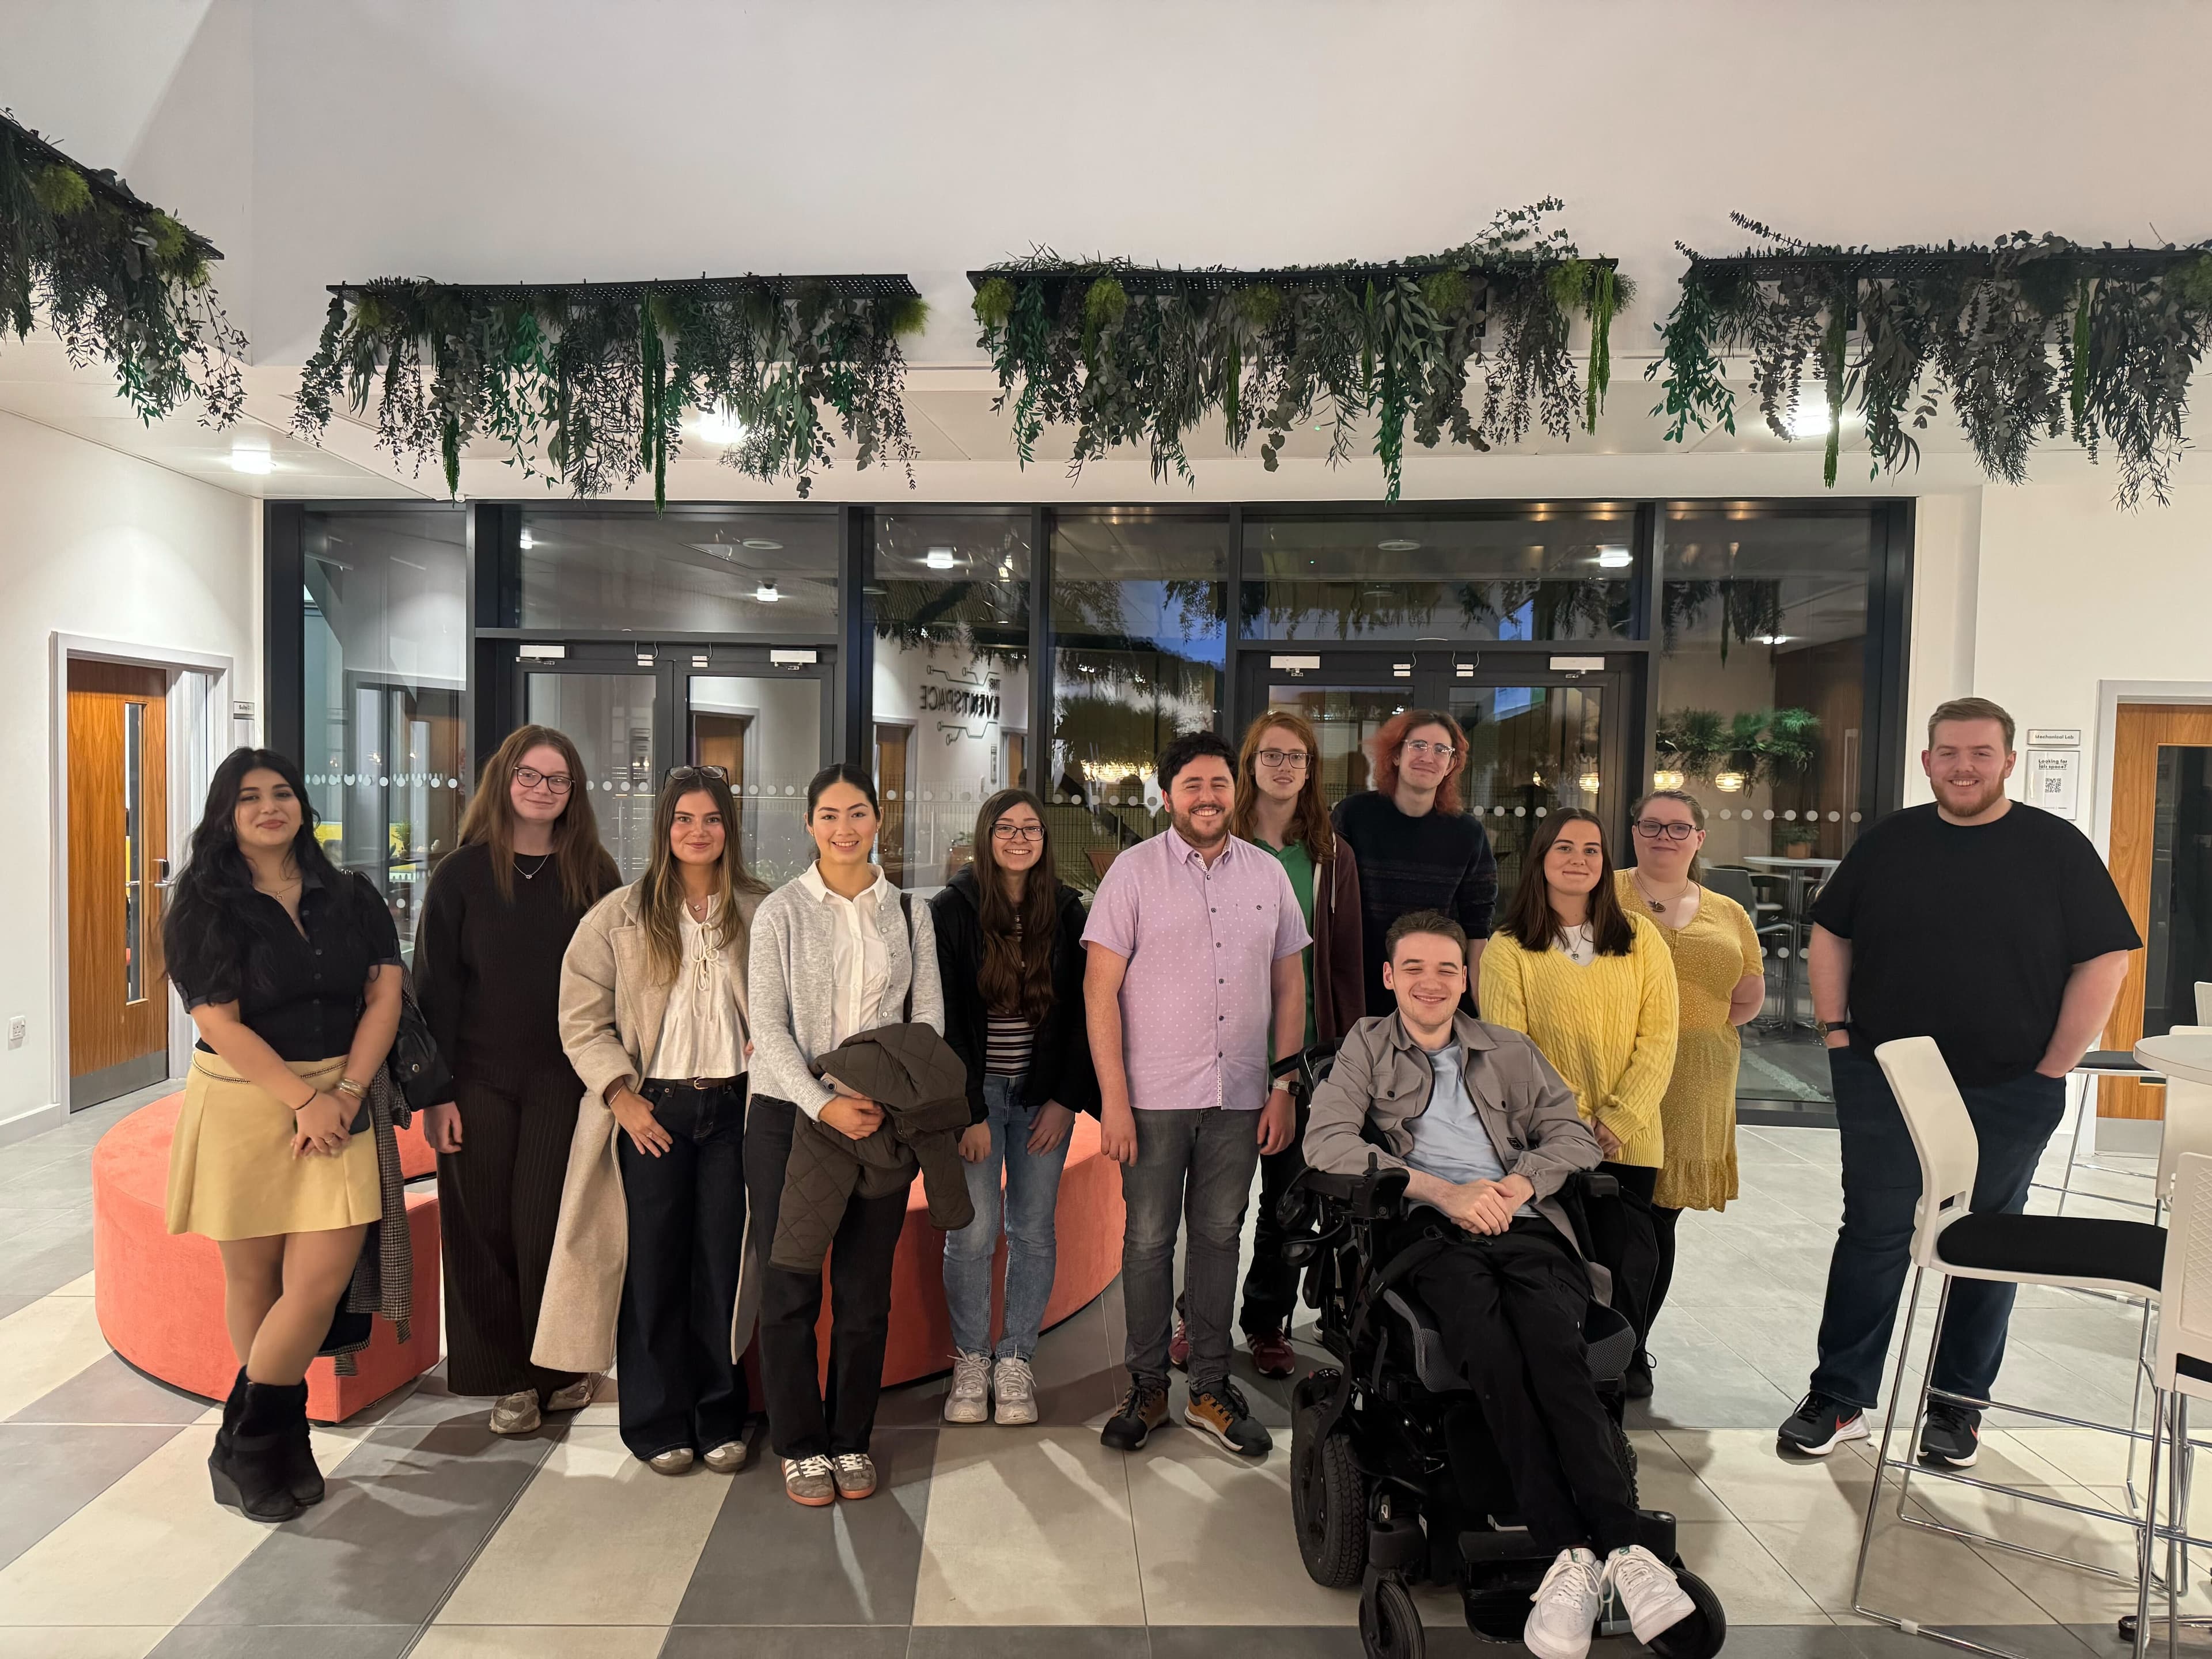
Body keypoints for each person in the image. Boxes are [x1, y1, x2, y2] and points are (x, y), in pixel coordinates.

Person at [1303, 910, 1698, 1659]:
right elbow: (1325, 1141)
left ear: (1465, 979)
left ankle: (1611, 1555)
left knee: (1556, 1347)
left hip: (1524, 1223)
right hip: (1428, 1234)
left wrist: (1517, 1188)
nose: (1431, 983)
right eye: (1414, 968)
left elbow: (1573, 1136)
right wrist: (1441, 1192)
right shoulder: (1365, 1047)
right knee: (1490, 1348)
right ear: (1390, 977)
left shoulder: (1508, 1050)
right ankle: (1577, 1550)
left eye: (1447, 969)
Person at [1781, 698, 2138, 1466]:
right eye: (1948, 753)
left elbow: (2105, 958)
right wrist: (1839, 1036)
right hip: (1884, 1080)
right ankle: (1841, 1397)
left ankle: (1957, 1406)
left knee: (1988, 1243)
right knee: (1873, 1234)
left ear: (2007, 761)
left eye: (1980, 753)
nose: (1964, 766)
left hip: (2012, 1085)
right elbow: (1831, 933)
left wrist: (2056, 1065)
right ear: (1927, 762)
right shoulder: (1890, 843)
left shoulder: (2056, 848)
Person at [162, 748, 404, 1523]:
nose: (271, 807)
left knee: (320, 1278)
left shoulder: (350, 894)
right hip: (244, 1101)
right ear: (224, 816)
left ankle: (247, 1438)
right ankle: (286, 1436)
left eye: (282, 794)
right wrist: (302, 1101)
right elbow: (216, 1022)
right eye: (249, 798)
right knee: (254, 1280)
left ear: (302, 807)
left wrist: (346, 1094)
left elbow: (384, 996)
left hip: (343, 1094)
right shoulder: (203, 901)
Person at [1085, 730, 1308, 1457]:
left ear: (1232, 791)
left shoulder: (1268, 876)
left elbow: (1289, 983)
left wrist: (1283, 1084)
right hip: (1150, 1098)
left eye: (1218, 785)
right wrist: (1113, 1101)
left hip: (1241, 1093)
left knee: (1218, 1239)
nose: (1208, 798)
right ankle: (1147, 1388)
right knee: (1149, 1242)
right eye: (1193, 786)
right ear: (1167, 795)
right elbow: (1100, 990)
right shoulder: (1133, 872)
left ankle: (1210, 1387)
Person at [550, 766, 766, 1473]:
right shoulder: (619, 916)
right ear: (663, 828)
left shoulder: (761, 909)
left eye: (710, 819)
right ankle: (656, 1422)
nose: (696, 832)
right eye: (683, 819)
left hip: (736, 1108)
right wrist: (621, 1095)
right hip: (654, 1112)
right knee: (653, 1268)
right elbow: (581, 1017)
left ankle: (719, 1415)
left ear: (729, 828)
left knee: (721, 1266)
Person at [414, 725, 620, 1436]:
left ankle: (557, 1368)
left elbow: (623, 982)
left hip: (566, 1080)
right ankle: (503, 1378)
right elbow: (432, 991)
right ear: (505, 782)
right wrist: (433, 1093)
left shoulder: (596, 874)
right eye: (529, 776)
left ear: (574, 793)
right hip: (476, 1079)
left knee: (547, 1230)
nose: (542, 790)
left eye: (557, 780)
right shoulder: (461, 875)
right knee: (480, 1228)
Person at [745, 763, 944, 1506]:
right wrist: (822, 1101)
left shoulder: (909, 912)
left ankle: (851, 1438)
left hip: (879, 1121)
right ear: (808, 825)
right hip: (789, 1121)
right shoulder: (781, 914)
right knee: (789, 1285)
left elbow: (928, 1022)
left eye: (857, 813)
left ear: (877, 820)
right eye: (828, 815)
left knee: (865, 1294)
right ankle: (800, 1445)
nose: (844, 828)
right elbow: (766, 1025)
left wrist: (881, 1095)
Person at [1477, 809, 1679, 1358]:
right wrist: (1574, 1124)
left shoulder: (1642, 939)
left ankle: (1625, 1357)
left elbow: (1660, 1038)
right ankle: (1566, 1362)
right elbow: (1510, 1050)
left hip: (1630, 1138)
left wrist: (1618, 1118)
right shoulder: (1508, 948)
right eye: (1564, 848)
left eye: (1592, 850)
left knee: (1632, 1256)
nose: (1579, 860)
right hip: (1548, 1143)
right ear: (1541, 859)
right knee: (1564, 1259)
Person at [931, 788, 1099, 1426]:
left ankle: (1016, 1358)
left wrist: (1064, 1100)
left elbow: (1085, 1016)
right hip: (978, 1099)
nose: (1020, 838)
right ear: (986, 835)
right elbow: (942, 1017)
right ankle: (971, 1358)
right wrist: (966, 1108)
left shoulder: (1069, 910)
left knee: (1032, 1230)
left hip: (1039, 1098)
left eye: (1032, 828)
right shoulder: (953, 909)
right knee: (970, 1234)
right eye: (1007, 828)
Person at [1226, 707, 1363, 1378]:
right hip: (1222, 1053)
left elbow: (1344, 965)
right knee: (1216, 1202)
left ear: (1310, 771)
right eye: (1271, 755)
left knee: (1287, 1202)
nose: (1283, 767)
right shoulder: (1217, 841)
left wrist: (1346, 1060)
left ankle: (1265, 1322)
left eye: (1296, 757)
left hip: (1303, 1057)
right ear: (1250, 765)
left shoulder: (1331, 855)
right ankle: (1197, 1318)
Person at [1613, 789, 1764, 1398]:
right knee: (1619, 1214)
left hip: (1698, 1075)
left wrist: (1695, 1025)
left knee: (1660, 1217)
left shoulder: (1729, 912)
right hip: (1620, 1068)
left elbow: (1748, 993)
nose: (1664, 837)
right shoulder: (1604, 894)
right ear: (1634, 832)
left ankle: (1634, 1347)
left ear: (1700, 839)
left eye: (1679, 829)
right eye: (1652, 825)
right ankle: (1604, 1340)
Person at [1331, 707, 1498, 1016]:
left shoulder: (1468, 834)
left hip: (1432, 996)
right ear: (1395, 755)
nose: (1428, 756)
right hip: (1358, 990)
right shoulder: (1353, 816)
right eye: (1417, 746)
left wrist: (1482, 1012)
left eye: (1441, 750)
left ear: (1451, 765)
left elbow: (1477, 929)